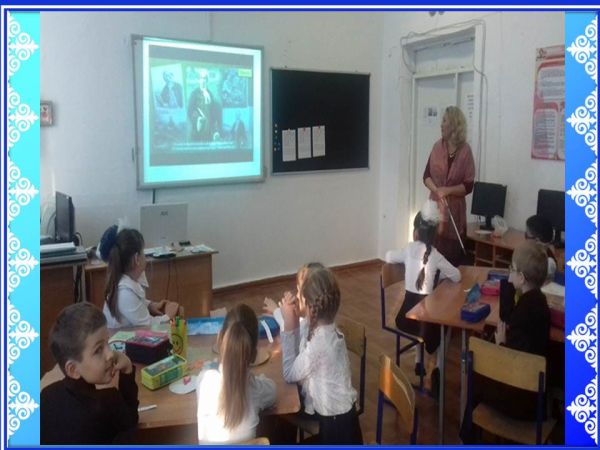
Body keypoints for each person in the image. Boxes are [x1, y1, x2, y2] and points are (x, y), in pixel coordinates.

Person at [460, 240, 552, 443]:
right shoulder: (539, 303)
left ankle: (467, 438)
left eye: (512, 268)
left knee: (476, 377)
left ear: (521, 277)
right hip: (536, 397)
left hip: (519, 400)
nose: (509, 272)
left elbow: (512, 363)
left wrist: (501, 343)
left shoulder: (523, 313)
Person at [280, 266, 363, 444]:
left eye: (301, 296)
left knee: (280, 406)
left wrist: (288, 326)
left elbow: (289, 373)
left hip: (337, 430)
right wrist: (295, 322)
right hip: (343, 420)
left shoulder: (320, 343)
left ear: (310, 308)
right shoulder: (327, 330)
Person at [385, 200, 461, 392]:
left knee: (421, 314)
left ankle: (419, 361)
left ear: (416, 232)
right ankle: (438, 368)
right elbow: (457, 276)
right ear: (435, 234)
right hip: (426, 322)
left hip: (406, 317)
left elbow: (388, 256)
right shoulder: (436, 255)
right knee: (445, 328)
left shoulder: (409, 249)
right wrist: (439, 274)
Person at [40, 302, 138, 444]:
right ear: (73, 369)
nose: (110, 354)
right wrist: (127, 368)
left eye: (107, 342)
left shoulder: (46, 395)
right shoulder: (109, 403)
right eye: (98, 350)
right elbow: (132, 421)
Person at [196, 304, 276, 443]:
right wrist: (255, 379)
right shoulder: (255, 389)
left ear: (219, 340)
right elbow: (273, 390)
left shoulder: (205, 381)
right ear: (254, 355)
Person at [423, 106, 476, 266]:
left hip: (455, 211)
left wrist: (448, 190)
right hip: (435, 207)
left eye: (444, 121)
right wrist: (437, 190)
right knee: (432, 251)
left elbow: (468, 185)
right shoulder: (437, 147)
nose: (441, 124)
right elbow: (426, 176)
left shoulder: (466, 151)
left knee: (451, 257)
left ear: (454, 125)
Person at [102, 228, 181, 328]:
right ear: (136, 259)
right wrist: (169, 315)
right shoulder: (124, 292)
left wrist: (150, 305)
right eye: (143, 252)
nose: (145, 256)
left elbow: (135, 303)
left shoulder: (126, 283)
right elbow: (148, 325)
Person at [262, 262, 324, 331]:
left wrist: (276, 311)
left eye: (299, 290)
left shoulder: (308, 328)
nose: (297, 296)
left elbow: (289, 332)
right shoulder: (325, 321)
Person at [187, 68, 222, 142]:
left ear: (207, 81)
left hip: (208, 131)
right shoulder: (194, 94)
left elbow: (213, 115)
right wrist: (198, 119)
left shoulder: (210, 95)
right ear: (199, 80)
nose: (203, 81)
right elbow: (190, 111)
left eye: (205, 79)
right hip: (197, 129)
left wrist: (215, 131)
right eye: (201, 78)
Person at [525, 214, 558, 282]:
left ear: (537, 241)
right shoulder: (536, 253)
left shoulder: (546, 265)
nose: (525, 239)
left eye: (526, 236)